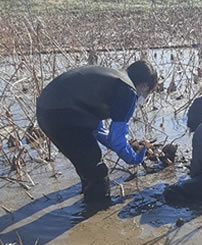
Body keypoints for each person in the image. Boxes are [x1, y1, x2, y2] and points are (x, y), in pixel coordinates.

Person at [37, 61, 158, 204]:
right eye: (147, 92)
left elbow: (98, 130)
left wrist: (125, 147)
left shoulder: (110, 78)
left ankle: (87, 206)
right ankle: (97, 212)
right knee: (98, 172)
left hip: (46, 112)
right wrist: (133, 158)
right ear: (144, 85)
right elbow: (116, 140)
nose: (144, 96)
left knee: (86, 163)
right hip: (65, 117)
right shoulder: (128, 91)